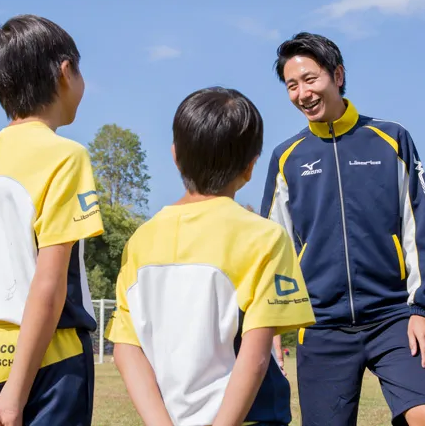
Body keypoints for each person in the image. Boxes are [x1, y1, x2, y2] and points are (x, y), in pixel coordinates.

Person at [261, 33, 425, 426]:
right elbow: (272, 246)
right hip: (321, 325)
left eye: (310, 80)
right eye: (292, 85)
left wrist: (422, 309)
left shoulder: (391, 139)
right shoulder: (286, 158)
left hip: (395, 316)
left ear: (338, 75)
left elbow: (419, 225)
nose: (302, 94)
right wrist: (270, 324)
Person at [106, 87, 315, 425]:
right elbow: (256, 355)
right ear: (250, 167)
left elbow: (126, 348)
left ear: (175, 156)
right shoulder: (264, 237)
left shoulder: (141, 240)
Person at [0, 14, 104, 426]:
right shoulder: (66, 156)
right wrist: (17, 393)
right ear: (66, 72)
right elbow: (49, 285)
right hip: (51, 358)